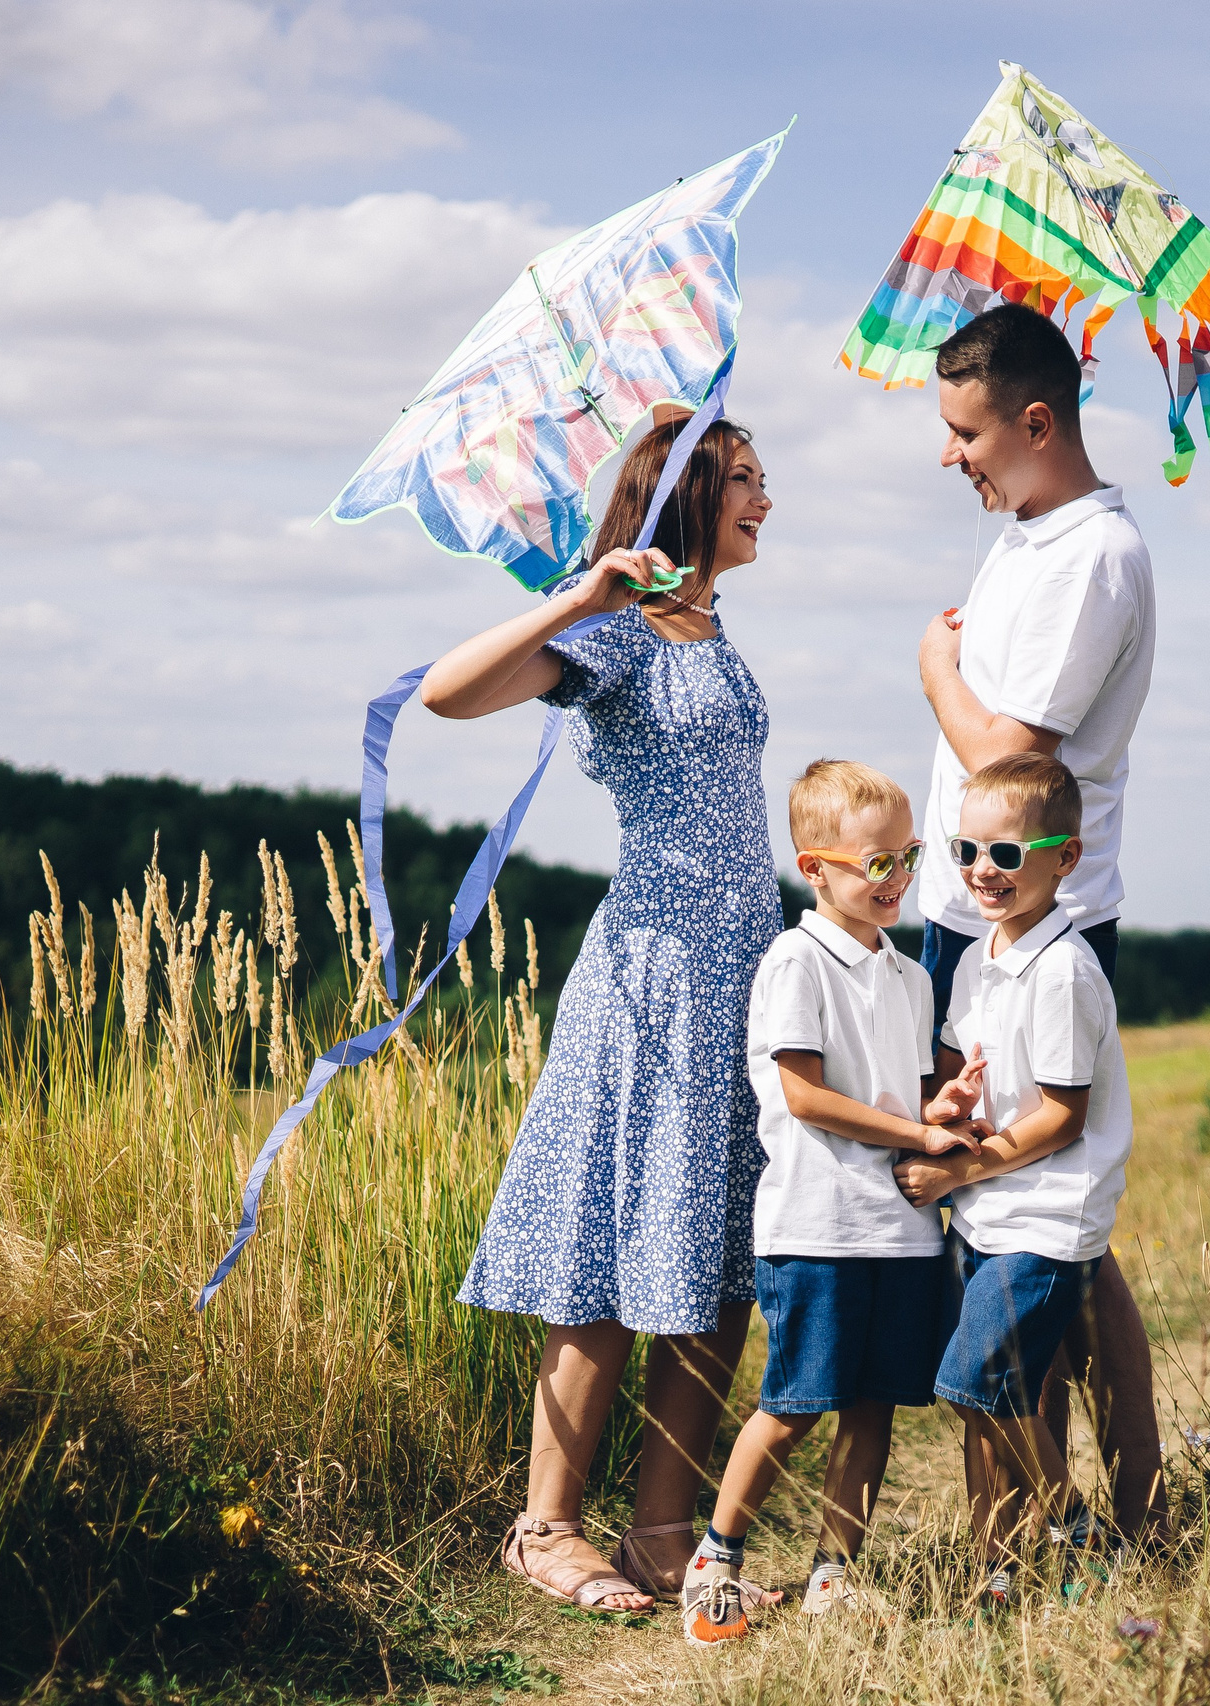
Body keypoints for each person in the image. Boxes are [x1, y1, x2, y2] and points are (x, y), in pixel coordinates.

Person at [421, 410, 777, 1612]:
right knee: (608, 1250)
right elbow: (445, 694)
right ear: (678, 494)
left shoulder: (713, 628)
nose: (762, 500)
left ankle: (662, 1532)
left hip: (744, 966)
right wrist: (581, 595)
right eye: (740, 480)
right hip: (655, 975)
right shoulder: (619, 630)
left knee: (718, 1253)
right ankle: (544, 1526)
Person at [911, 302, 1163, 1541]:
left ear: (1035, 419)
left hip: (1039, 908)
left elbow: (1008, 760)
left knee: (1055, 1224)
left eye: (965, 432)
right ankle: (1038, 1503)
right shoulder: (1019, 533)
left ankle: (1111, 1498)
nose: (949, 455)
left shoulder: (1093, 558)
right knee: (1014, 1218)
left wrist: (934, 672)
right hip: (971, 906)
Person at [680, 759, 990, 1644]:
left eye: (908, 857)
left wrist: (944, 1107)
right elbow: (807, 1096)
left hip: (901, 1233)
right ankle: (716, 1560)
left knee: (873, 1407)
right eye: (874, 863)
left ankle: (832, 1575)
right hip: (817, 1224)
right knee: (793, 1403)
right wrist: (918, 1138)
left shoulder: (912, 974)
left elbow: (896, 1096)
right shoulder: (794, 960)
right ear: (815, 868)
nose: (896, 879)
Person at [894, 753, 1133, 1606]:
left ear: (1066, 858)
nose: (981, 872)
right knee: (993, 1392)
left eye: (1007, 854)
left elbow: (1062, 1115)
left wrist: (959, 1165)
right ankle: (1000, 1559)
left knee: (973, 1382)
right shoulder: (977, 959)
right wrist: (949, 1100)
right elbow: (963, 1070)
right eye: (967, 850)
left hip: (1045, 1215)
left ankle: (1072, 1520)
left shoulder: (1064, 972)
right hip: (991, 1215)